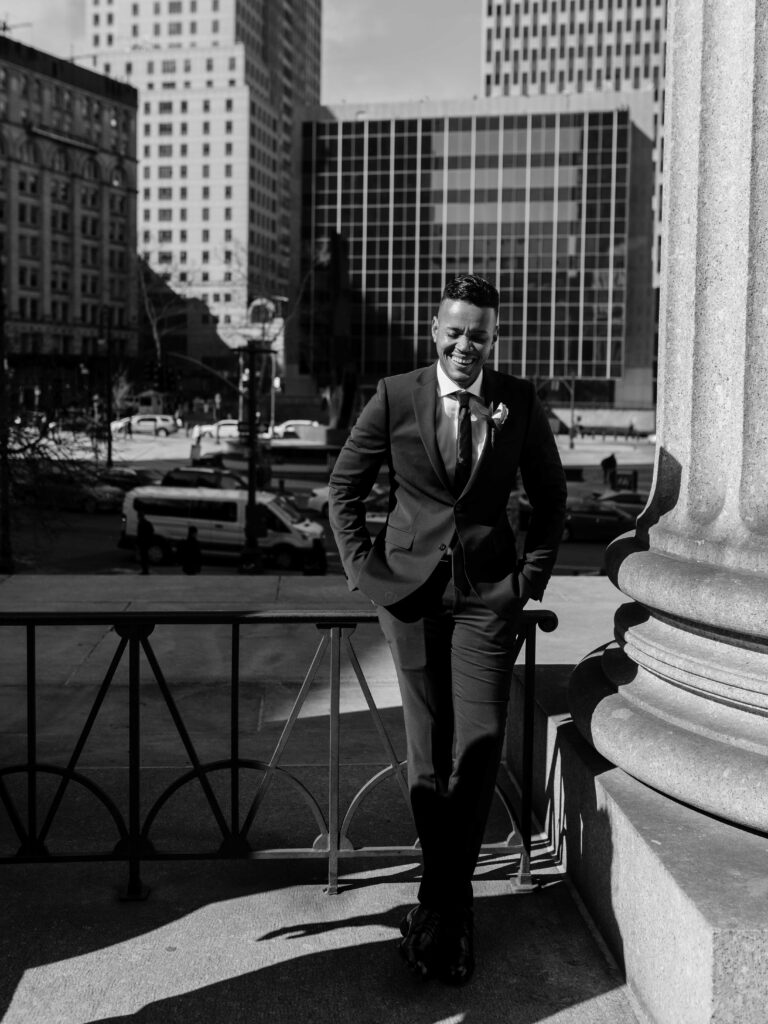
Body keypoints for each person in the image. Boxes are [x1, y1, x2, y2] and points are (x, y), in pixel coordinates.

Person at [329, 274, 567, 985]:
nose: (468, 346)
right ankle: (449, 918)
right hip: (408, 598)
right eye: (456, 332)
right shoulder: (396, 395)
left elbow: (550, 498)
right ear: (436, 331)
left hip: (485, 601)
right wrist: (364, 573)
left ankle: (440, 909)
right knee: (427, 759)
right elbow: (345, 486)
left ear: (495, 339)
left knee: (479, 748)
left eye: (482, 335)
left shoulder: (516, 400)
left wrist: (528, 583)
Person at [136, 507, 155, 575]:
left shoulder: (141, 524)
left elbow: (139, 535)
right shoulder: (148, 523)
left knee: (143, 557)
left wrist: (138, 543)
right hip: (147, 542)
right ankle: (146, 569)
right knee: (145, 557)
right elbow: (152, 531)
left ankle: (145, 570)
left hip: (143, 543)